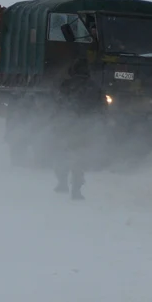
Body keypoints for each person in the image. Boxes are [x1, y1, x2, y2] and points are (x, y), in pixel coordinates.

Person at [49, 57, 105, 200]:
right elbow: (101, 108)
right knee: (79, 158)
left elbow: (58, 103)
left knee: (63, 154)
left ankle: (62, 183)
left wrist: (56, 121)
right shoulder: (94, 87)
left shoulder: (66, 85)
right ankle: (76, 189)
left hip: (66, 125)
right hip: (84, 127)